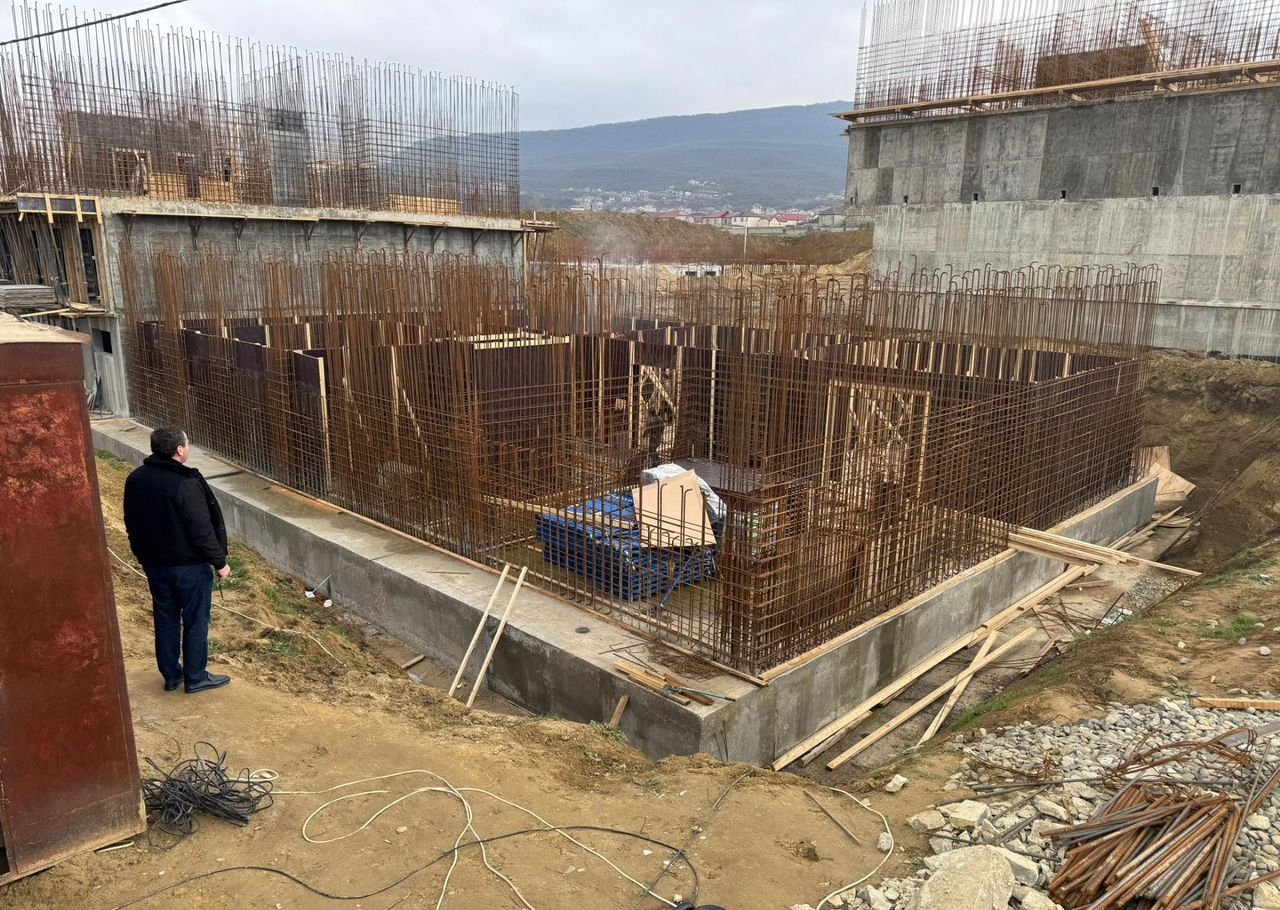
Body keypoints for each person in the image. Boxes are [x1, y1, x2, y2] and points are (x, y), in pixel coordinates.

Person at [123, 426, 232, 694]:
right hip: (189, 566)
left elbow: (131, 521)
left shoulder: (136, 479)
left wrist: (141, 554)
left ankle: (172, 675)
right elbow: (201, 529)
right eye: (187, 443)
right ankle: (196, 676)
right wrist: (220, 562)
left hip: (155, 564)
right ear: (179, 449)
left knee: (166, 619)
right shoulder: (184, 483)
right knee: (195, 620)